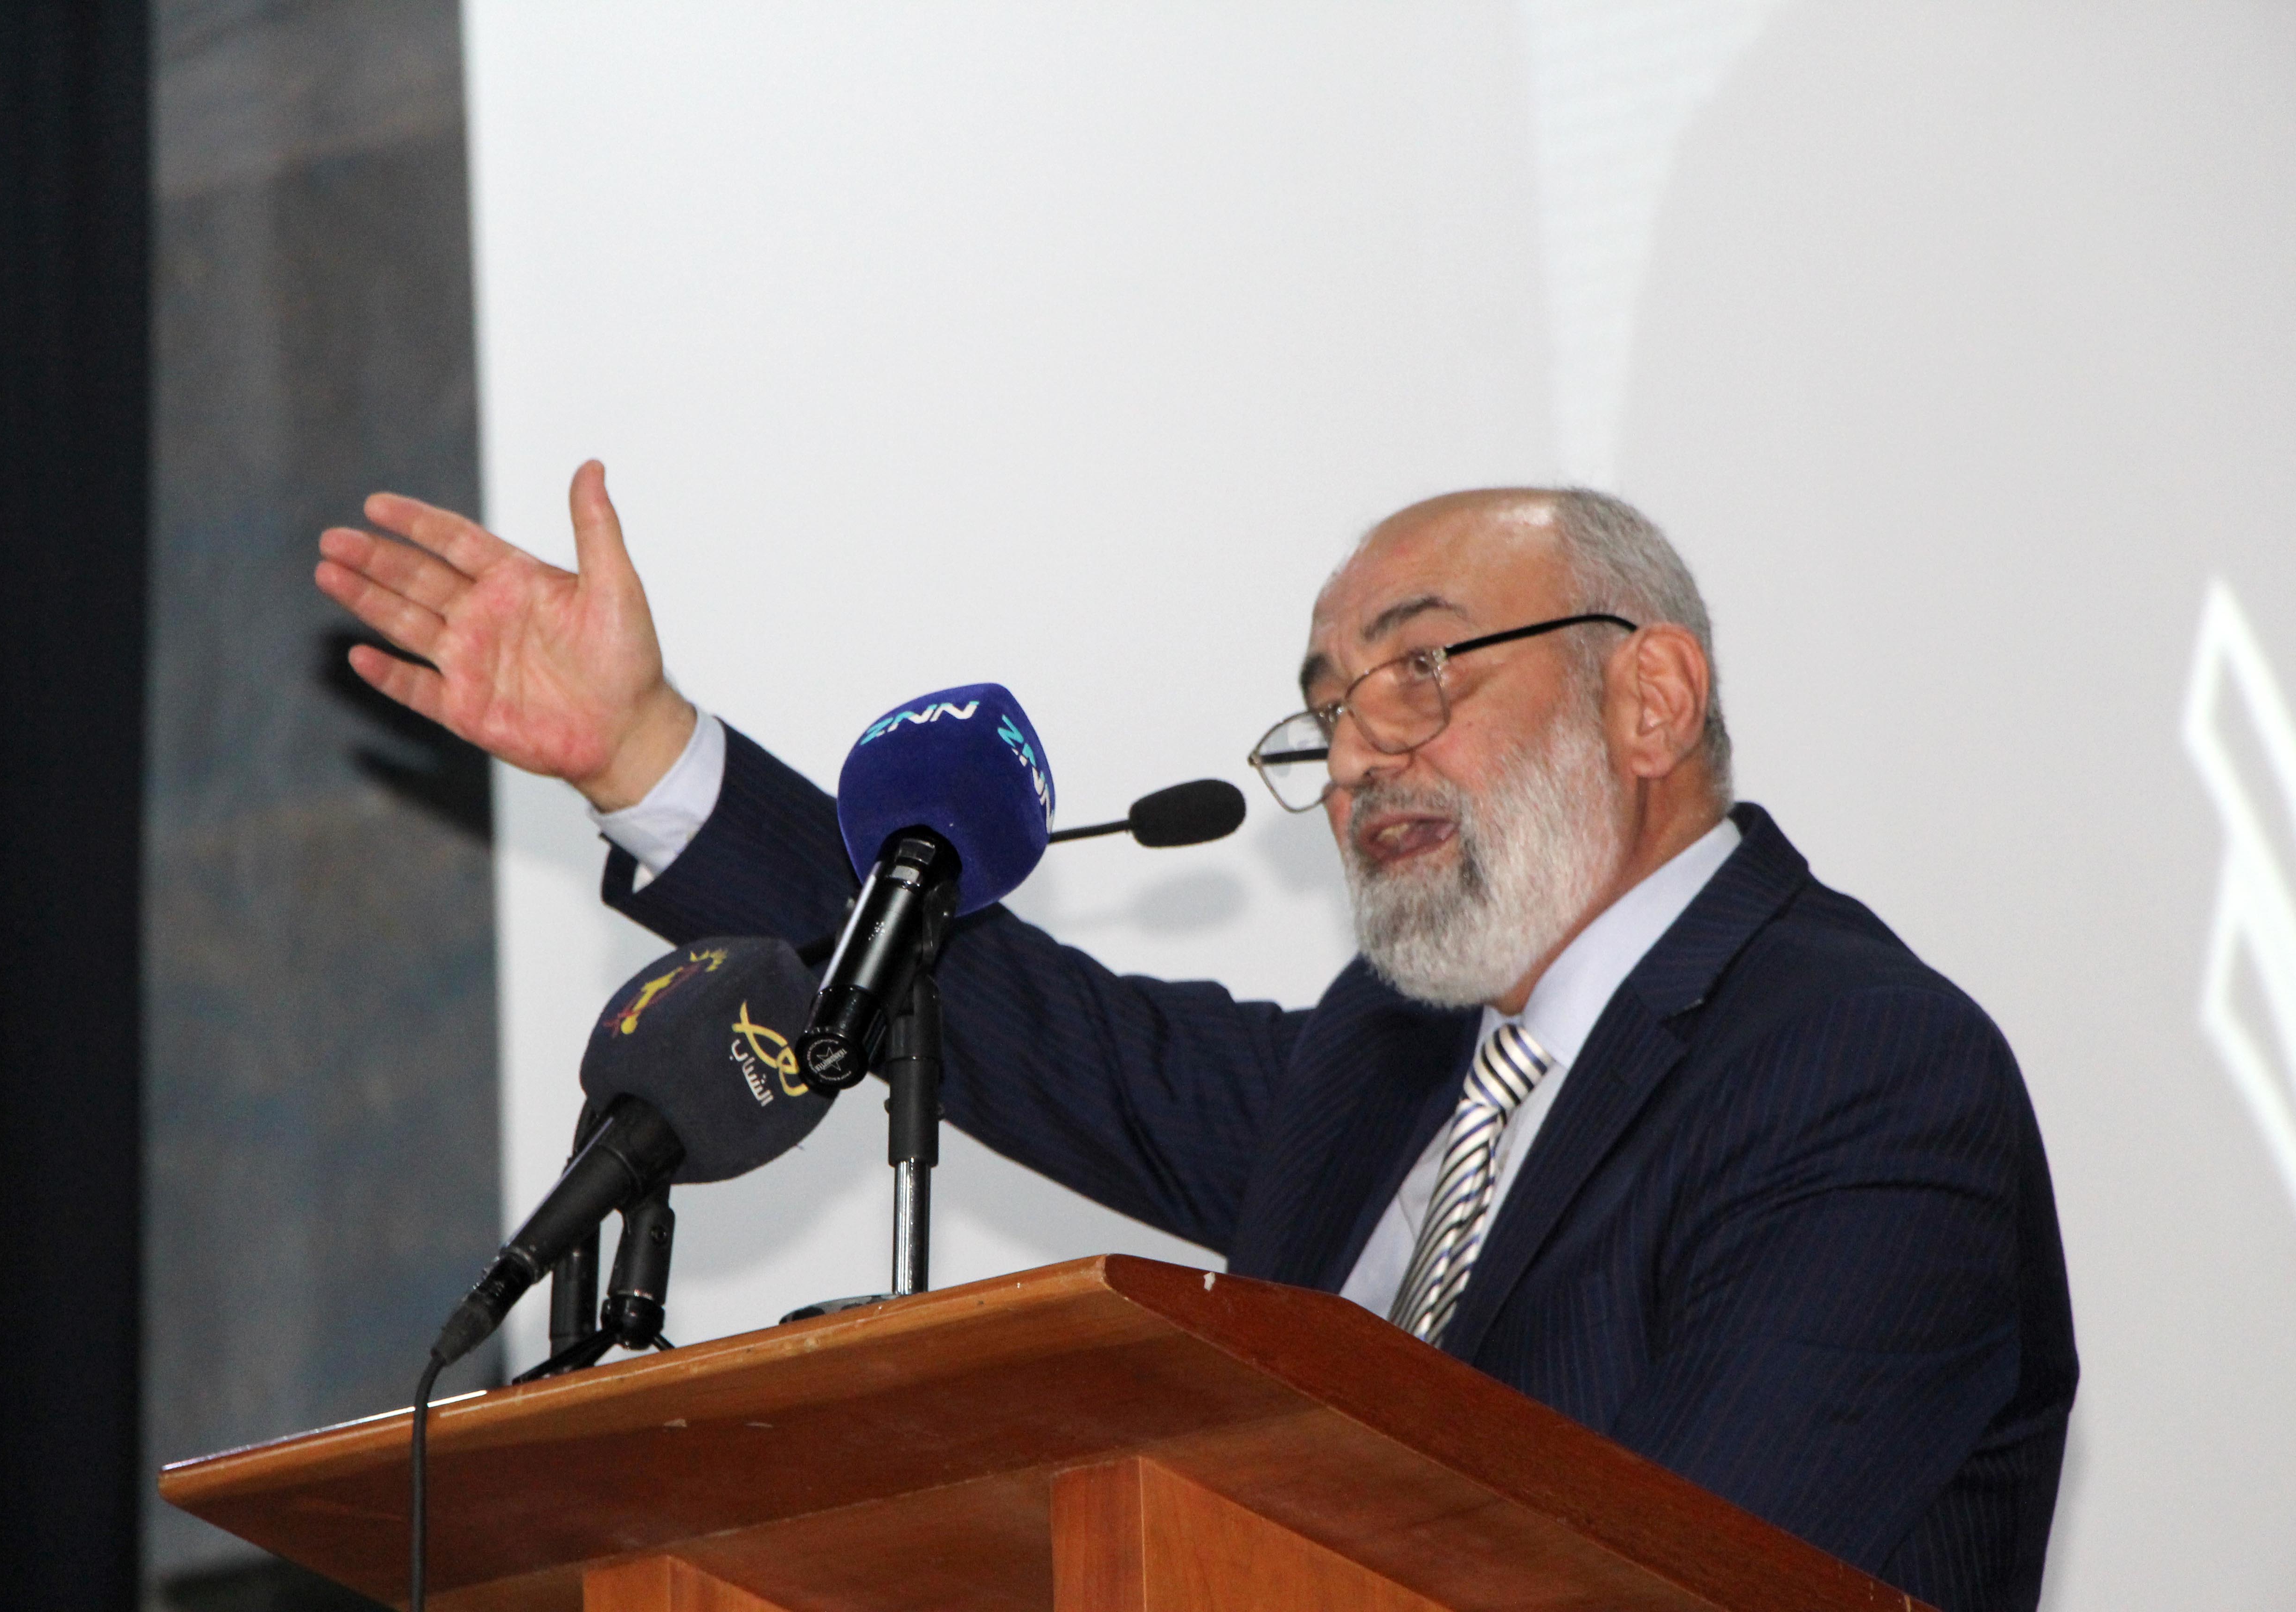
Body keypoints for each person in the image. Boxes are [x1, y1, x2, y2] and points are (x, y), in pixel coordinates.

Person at [315, 463, 2076, 1612]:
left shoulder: (1861, 1072)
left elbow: (1691, 1574)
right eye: (1327, 713)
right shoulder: (1393, 1063)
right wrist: (647, 755)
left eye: (1422, 672)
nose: (1360, 751)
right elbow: (1041, 1028)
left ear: (1652, 696)